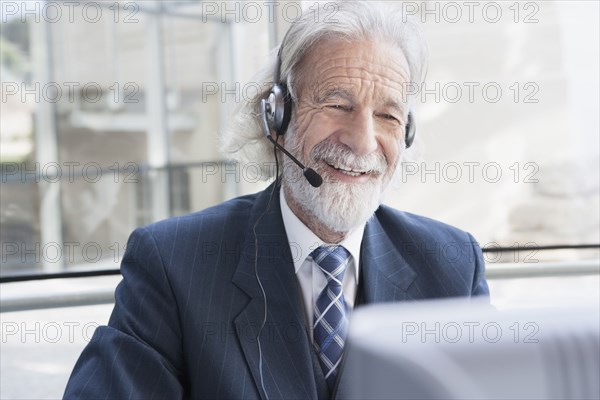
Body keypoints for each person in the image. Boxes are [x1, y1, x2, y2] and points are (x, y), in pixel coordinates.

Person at [64, 2, 489, 399]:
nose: (362, 142)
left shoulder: (452, 265)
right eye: (337, 104)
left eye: (388, 116)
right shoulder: (173, 263)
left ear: (406, 134)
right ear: (277, 117)